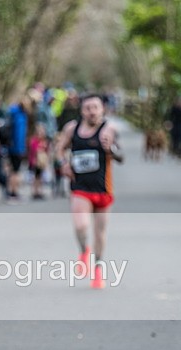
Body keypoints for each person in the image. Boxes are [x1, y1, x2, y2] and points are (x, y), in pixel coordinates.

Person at [55, 93, 123, 289]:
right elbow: (59, 149)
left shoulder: (109, 129)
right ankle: (84, 251)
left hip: (103, 189)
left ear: (102, 109)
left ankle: (98, 269)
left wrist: (111, 149)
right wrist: (63, 164)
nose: (91, 112)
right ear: (82, 110)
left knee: (100, 233)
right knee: (81, 226)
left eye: (95, 107)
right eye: (87, 108)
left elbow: (121, 157)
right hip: (80, 188)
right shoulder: (72, 129)